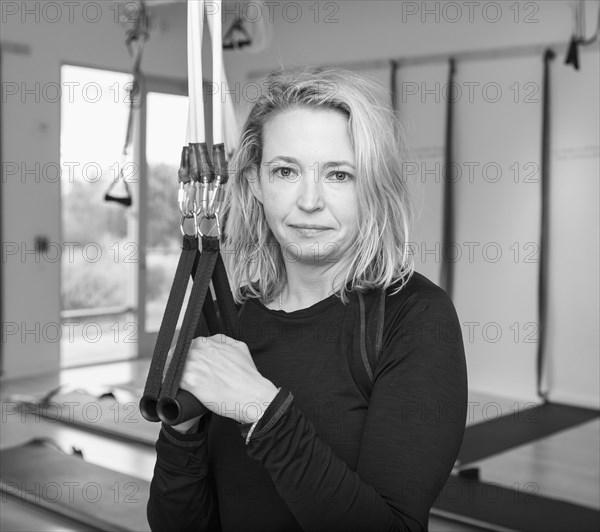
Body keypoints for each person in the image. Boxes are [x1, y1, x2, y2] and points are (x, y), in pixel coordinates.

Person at [147, 67, 468, 532]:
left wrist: (261, 408)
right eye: (286, 171)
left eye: (339, 174)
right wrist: (181, 433)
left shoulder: (415, 317)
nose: (310, 201)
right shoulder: (223, 314)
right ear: (256, 183)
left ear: (372, 187)